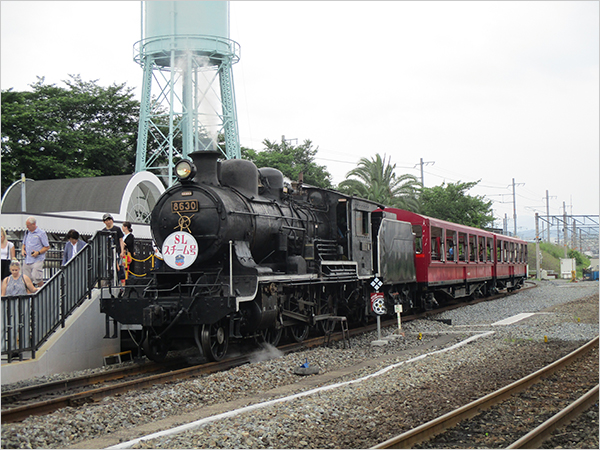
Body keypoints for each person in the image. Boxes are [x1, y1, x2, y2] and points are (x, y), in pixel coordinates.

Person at [21, 216, 50, 287]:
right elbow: (24, 243)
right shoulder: (27, 232)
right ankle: (30, 293)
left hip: (37, 259)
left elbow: (47, 246)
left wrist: (38, 252)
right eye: (26, 225)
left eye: (28, 225)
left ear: (33, 224)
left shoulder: (41, 233)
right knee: (26, 278)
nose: (27, 227)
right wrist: (23, 250)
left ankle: (42, 290)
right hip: (27, 259)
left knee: (36, 277)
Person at [101, 213, 125, 286]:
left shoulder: (117, 229)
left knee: (119, 268)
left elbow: (121, 240)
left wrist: (122, 251)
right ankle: (109, 283)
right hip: (107, 253)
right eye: (106, 220)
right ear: (104, 222)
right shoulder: (103, 231)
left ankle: (119, 283)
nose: (108, 222)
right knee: (108, 269)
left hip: (117, 252)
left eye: (110, 220)